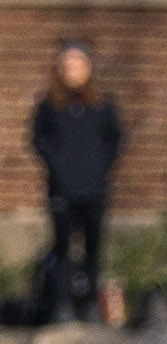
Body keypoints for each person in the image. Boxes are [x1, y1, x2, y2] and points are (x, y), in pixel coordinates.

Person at [30, 41, 121, 321]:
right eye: (67, 66)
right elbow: (38, 139)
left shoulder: (102, 106)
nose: (73, 71)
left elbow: (115, 139)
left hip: (94, 188)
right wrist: (58, 165)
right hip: (62, 189)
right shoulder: (49, 106)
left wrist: (100, 166)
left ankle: (91, 302)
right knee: (62, 248)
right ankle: (62, 305)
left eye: (78, 65)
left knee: (93, 247)